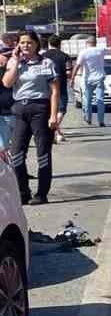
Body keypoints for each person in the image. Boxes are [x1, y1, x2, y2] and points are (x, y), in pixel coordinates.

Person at [2, 30, 61, 204]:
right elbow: (7, 83)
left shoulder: (46, 63)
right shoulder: (15, 62)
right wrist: (15, 62)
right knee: (16, 153)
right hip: (19, 109)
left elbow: (55, 91)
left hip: (40, 109)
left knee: (43, 153)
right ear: (18, 45)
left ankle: (41, 194)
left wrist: (53, 115)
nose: (25, 45)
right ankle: (23, 192)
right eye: (22, 42)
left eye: (29, 42)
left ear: (36, 44)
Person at [70, 37, 109, 127]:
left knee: (87, 99)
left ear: (87, 43)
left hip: (88, 79)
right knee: (100, 99)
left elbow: (77, 66)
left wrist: (72, 78)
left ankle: (88, 118)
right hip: (99, 78)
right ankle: (101, 121)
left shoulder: (83, 52)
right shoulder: (101, 50)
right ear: (95, 43)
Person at [45, 34, 70, 143]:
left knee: (49, 109)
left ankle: (57, 132)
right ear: (60, 44)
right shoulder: (65, 56)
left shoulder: (43, 56)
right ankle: (52, 131)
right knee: (61, 109)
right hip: (61, 85)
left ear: (49, 43)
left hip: (45, 86)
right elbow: (68, 72)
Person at [0, 40, 13, 153]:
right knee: (4, 146)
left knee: (12, 146)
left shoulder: (15, 69)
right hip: (4, 113)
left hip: (13, 111)